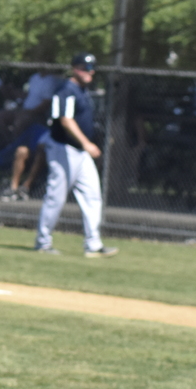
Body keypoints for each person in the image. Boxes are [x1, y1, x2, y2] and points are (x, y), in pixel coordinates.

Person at [35, 53, 116, 258]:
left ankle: (93, 245)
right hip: (63, 149)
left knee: (92, 195)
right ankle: (43, 242)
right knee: (56, 197)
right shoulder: (66, 90)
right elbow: (65, 120)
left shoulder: (82, 91)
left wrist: (85, 146)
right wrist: (87, 143)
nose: (89, 72)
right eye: (84, 68)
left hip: (79, 153)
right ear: (74, 69)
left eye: (91, 68)